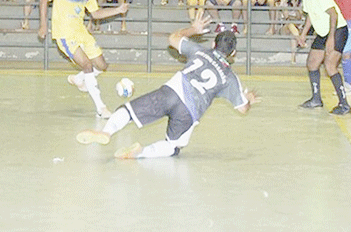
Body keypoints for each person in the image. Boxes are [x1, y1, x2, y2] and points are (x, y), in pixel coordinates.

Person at [75, 11, 259, 159]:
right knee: (173, 146)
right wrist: (248, 99)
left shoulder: (199, 51)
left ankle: (106, 132)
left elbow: (173, 38)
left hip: (171, 92)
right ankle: (141, 153)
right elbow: (243, 109)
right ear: (233, 53)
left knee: (128, 111)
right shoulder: (230, 77)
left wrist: (194, 29)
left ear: (213, 43)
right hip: (190, 112)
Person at [38, 0, 129, 119]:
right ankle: (101, 109)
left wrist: (118, 10)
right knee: (87, 65)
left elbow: (96, 14)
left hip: (81, 33)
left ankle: (79, 79)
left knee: (102, 65)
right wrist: (44, 25)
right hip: (65, 34)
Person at [294, 0, 351, 115]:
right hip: (323, 31)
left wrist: (331, 39)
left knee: (330, 65)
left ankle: (344, 104)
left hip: (337, 29)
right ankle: (316, 99)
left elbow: (333, 14)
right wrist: (303, 34)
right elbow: (310, 16)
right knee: (312, 63)